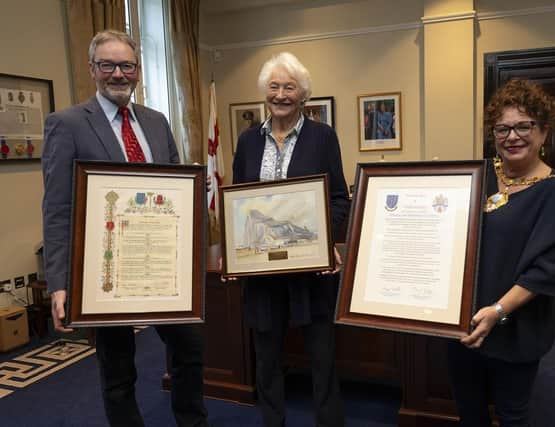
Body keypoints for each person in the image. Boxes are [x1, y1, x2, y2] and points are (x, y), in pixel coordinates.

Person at [41, 30, 208, 427]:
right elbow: (58, 208)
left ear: (137, 71)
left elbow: (177, 192)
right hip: (107, 272)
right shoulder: (66, 124)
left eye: (126, 65)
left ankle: (193, 422)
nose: (118, 73)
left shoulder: (156, 121)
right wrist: (60, 284)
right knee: (118, 370)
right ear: (92, 69)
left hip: (164, 266)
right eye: (108, 65)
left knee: (190, 351)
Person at [447, 78, 555, 426]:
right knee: (469, 411)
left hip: (515, 326)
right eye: (502, 128)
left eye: (524, 126)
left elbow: (549, 268)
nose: (512, 136)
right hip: (463, 319)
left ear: (544, 132)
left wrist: (498, 310)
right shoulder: (478, 175)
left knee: (512, 415)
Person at [231, 52, 349, 427]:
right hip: (262, 273)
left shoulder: (322, 137)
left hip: (309, 269)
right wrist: (237, 252)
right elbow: (239, 201)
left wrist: (325, 240)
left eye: (289, 87)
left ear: (303, 96)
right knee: (266, 358)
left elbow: (338, 201)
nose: (280, 94)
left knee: (322, 356)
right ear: (265, 92)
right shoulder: (248, 140)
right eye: (274, 86)